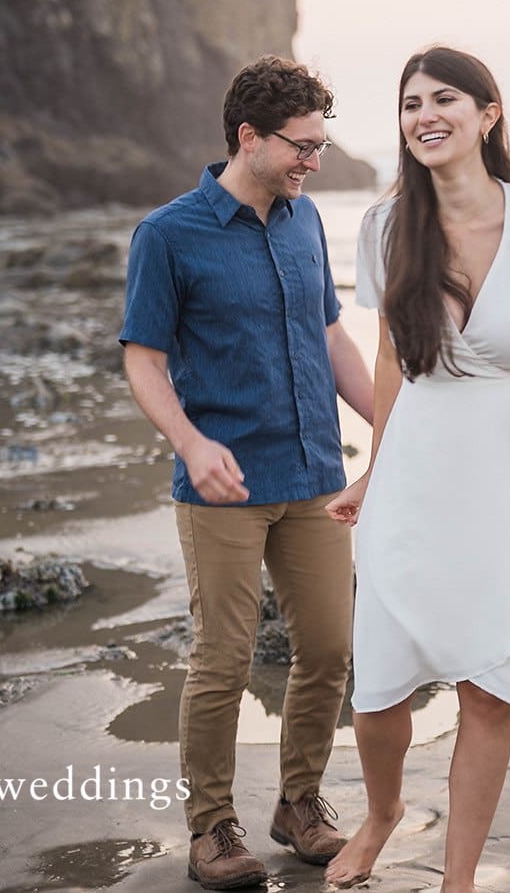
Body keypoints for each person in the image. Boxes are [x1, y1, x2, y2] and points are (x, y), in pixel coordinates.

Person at [323, 46, 510, 891]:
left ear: (488, 113)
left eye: (442, 98)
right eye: (409, 104)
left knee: (488, 686)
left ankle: (458, 878)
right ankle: (380, 815)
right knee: (379, 687)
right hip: (416, 463)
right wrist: (375, 469)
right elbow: (386, 360)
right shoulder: (385, 228)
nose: (423, 115)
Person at [120, 55, 375, 890]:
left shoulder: (304, 220)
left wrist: (391, 421)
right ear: (249, 138)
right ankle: (212, 826)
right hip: (222, 485)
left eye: (318, 146)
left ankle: (299, 802)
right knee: (223, 660)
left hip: (313, 475)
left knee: (332, 649)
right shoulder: (168, 234)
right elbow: (145, 361)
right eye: (300, 146)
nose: (312, 160)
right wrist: (191, 443)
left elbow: (331, 334)